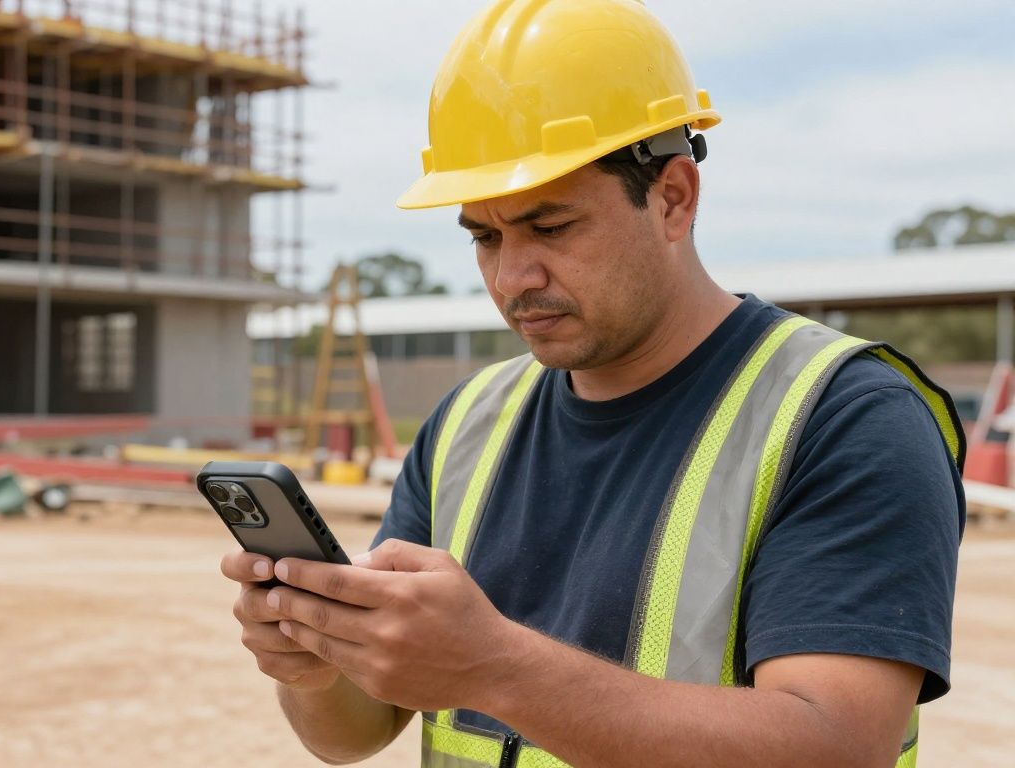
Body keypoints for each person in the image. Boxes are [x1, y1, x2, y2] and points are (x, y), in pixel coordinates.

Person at [220, 1, 965, 766]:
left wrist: (497, 667)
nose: (513, 277)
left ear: (673, 197)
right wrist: (314, 664)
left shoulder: (843, 417)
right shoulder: (468, 423)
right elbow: (354, 734)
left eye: (551, 227)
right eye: (485, 236)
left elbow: (837, 748)